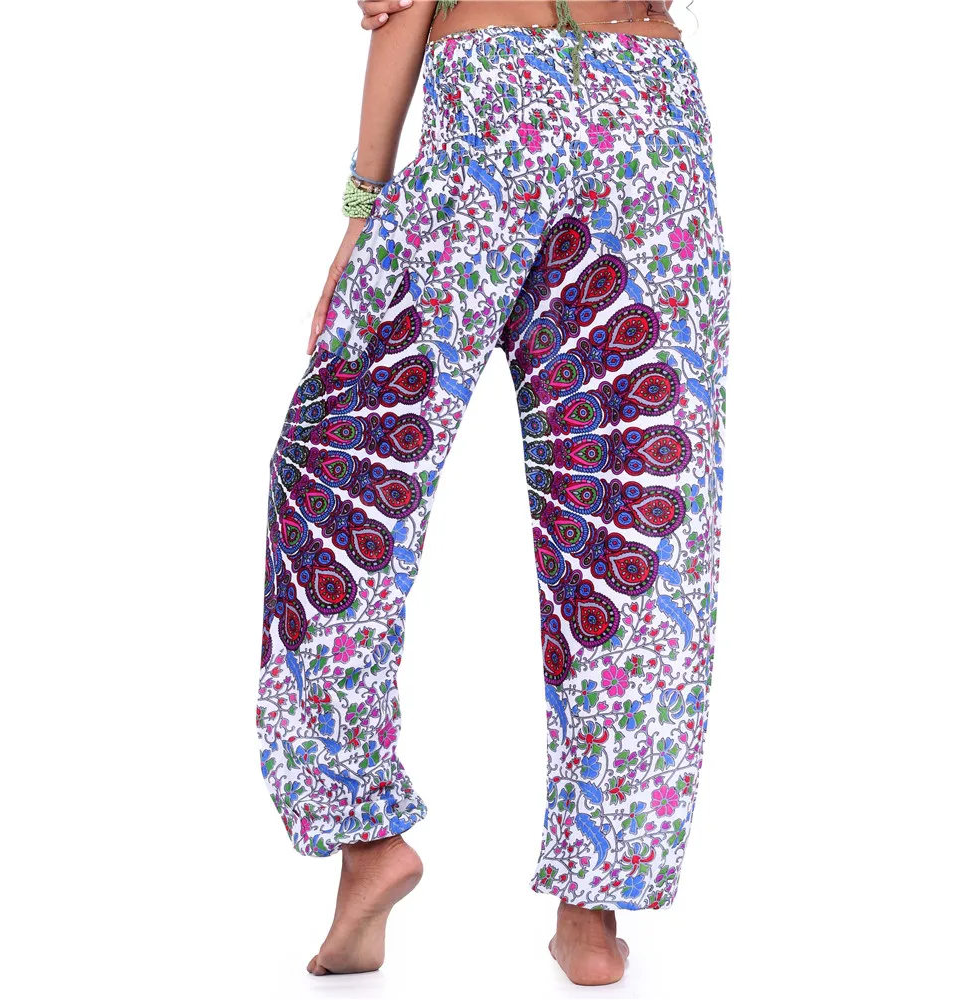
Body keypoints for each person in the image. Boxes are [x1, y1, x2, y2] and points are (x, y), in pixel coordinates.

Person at [257, 0, 730, 985]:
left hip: (492, 100)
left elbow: (404, 6)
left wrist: (363, 202)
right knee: (635, 506)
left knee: (342, 468)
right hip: (651, 115)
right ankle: (590, 915)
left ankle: (366, 837)